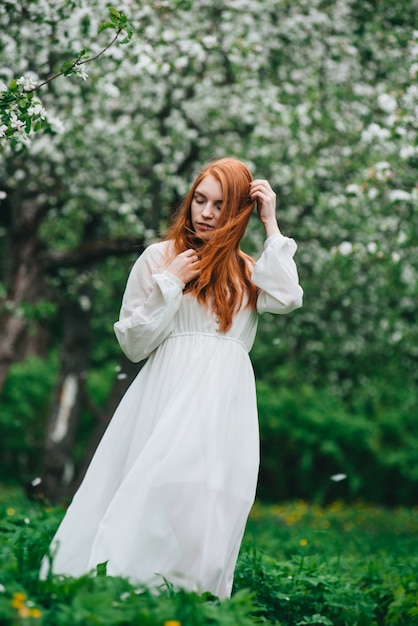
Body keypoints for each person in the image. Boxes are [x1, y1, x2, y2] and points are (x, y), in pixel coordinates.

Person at [40, 157, 303, 598]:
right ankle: (122, 594)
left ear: (238, 211)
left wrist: (271, 223)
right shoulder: (161, 258)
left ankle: (188, 601)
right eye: (199, 199)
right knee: (152, 493)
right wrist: (169, 283)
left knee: (211, 509)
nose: (205, 212)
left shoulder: (248, 270)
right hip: (170, 396)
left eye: (220, 205)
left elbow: (288, 296)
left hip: (225, 406)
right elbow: (134, 343)